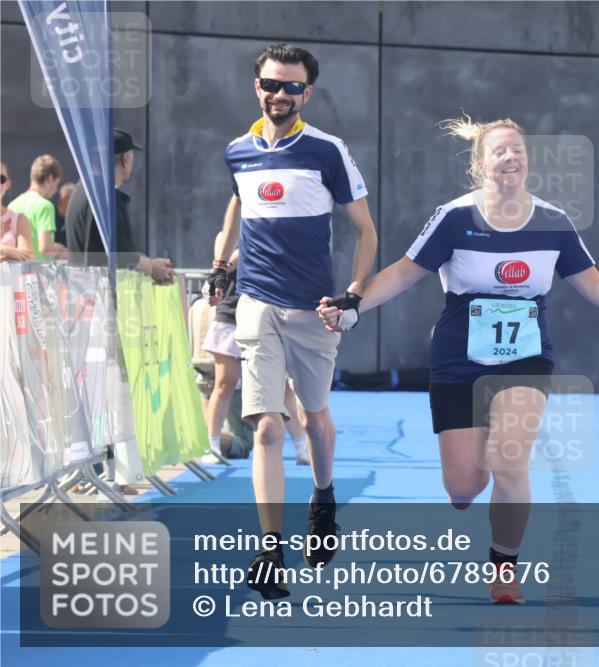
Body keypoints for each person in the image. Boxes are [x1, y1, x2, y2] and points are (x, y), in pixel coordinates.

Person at [320, 115, 599, 604]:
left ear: (528, 161)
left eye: (518, 150)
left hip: (525, 357)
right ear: (480, 165)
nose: (511, 157)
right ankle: (464, 489)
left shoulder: (554, 221)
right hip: (458, 358)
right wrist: (353, 305)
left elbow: (593, 282)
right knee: (464, 486)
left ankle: (504, 566)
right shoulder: (454, 217)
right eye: (499, 151)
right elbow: (403, 273)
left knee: (509, 458)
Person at [207, 43, 378, 599]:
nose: (280, 94)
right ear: (256, 86)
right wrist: (221, 264)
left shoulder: (328, 150)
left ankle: (323, 497)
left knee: (315, 416)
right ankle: (270, 550)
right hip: (255, 302)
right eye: (271, 84)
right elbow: (238, 205)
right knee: (267, 426)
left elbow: (366, 231)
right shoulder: (238, 151)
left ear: (308, 93)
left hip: (313, 309)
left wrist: (353, 293)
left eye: (292, 86)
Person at [201, 237, 308, 464]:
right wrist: (251, 240)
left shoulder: (272, 233)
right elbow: (226, 263)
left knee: (283, 388)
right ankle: (212, 445)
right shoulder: (226, 237)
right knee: (224, 384)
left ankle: (301, 447)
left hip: (264, 318)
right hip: (230, 316)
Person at [65, 129, 175, 284]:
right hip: (98, 291)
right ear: (125, 160)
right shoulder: (104, 196)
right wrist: (152, 268)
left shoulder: (82, 189)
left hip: (82, 287)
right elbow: (121, 253)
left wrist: (151, 264)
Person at [8, 154, 68, 261]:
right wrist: (60, 249)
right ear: (50, 178)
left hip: (15, 269)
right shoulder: (45, 206)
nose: (56, 189)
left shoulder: (12, 204)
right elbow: (45, 249)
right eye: (57, 183)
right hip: (38, 270)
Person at [0, 161, 34, 262]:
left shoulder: (19, 219)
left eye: (1, 179)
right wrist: (6, 250)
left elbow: (26, 257)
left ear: (7, 184)